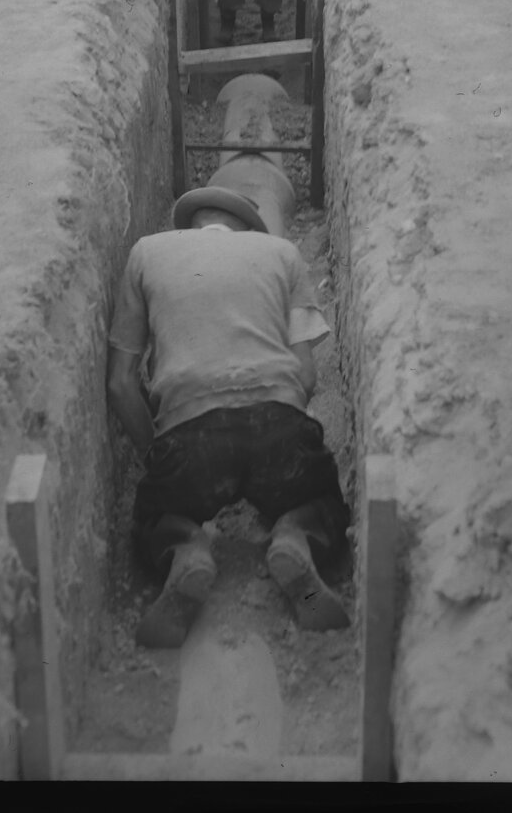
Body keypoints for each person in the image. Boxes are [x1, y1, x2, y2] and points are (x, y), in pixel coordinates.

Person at [108, 184, 351, 648]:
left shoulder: (146, 253)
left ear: (192, 225)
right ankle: (297, 536)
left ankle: (184, 548)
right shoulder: (281, 252)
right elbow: (305, 372)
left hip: (189, 436)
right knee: (325, 505)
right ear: (247, 230)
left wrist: (156, 455)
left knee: (153, 519)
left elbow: (120, 383)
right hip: (278, 427)